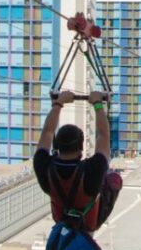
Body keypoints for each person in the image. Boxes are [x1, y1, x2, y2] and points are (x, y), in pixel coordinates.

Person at [32, 90, 112, 234]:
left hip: (62, 220)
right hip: (89, 222)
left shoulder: (44, 166)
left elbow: (47, 132)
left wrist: (58, 103)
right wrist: (98, 105)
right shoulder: (93, 169)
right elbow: (103, 135)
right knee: (113, 179)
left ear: (56, 145)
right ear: (81, 148)